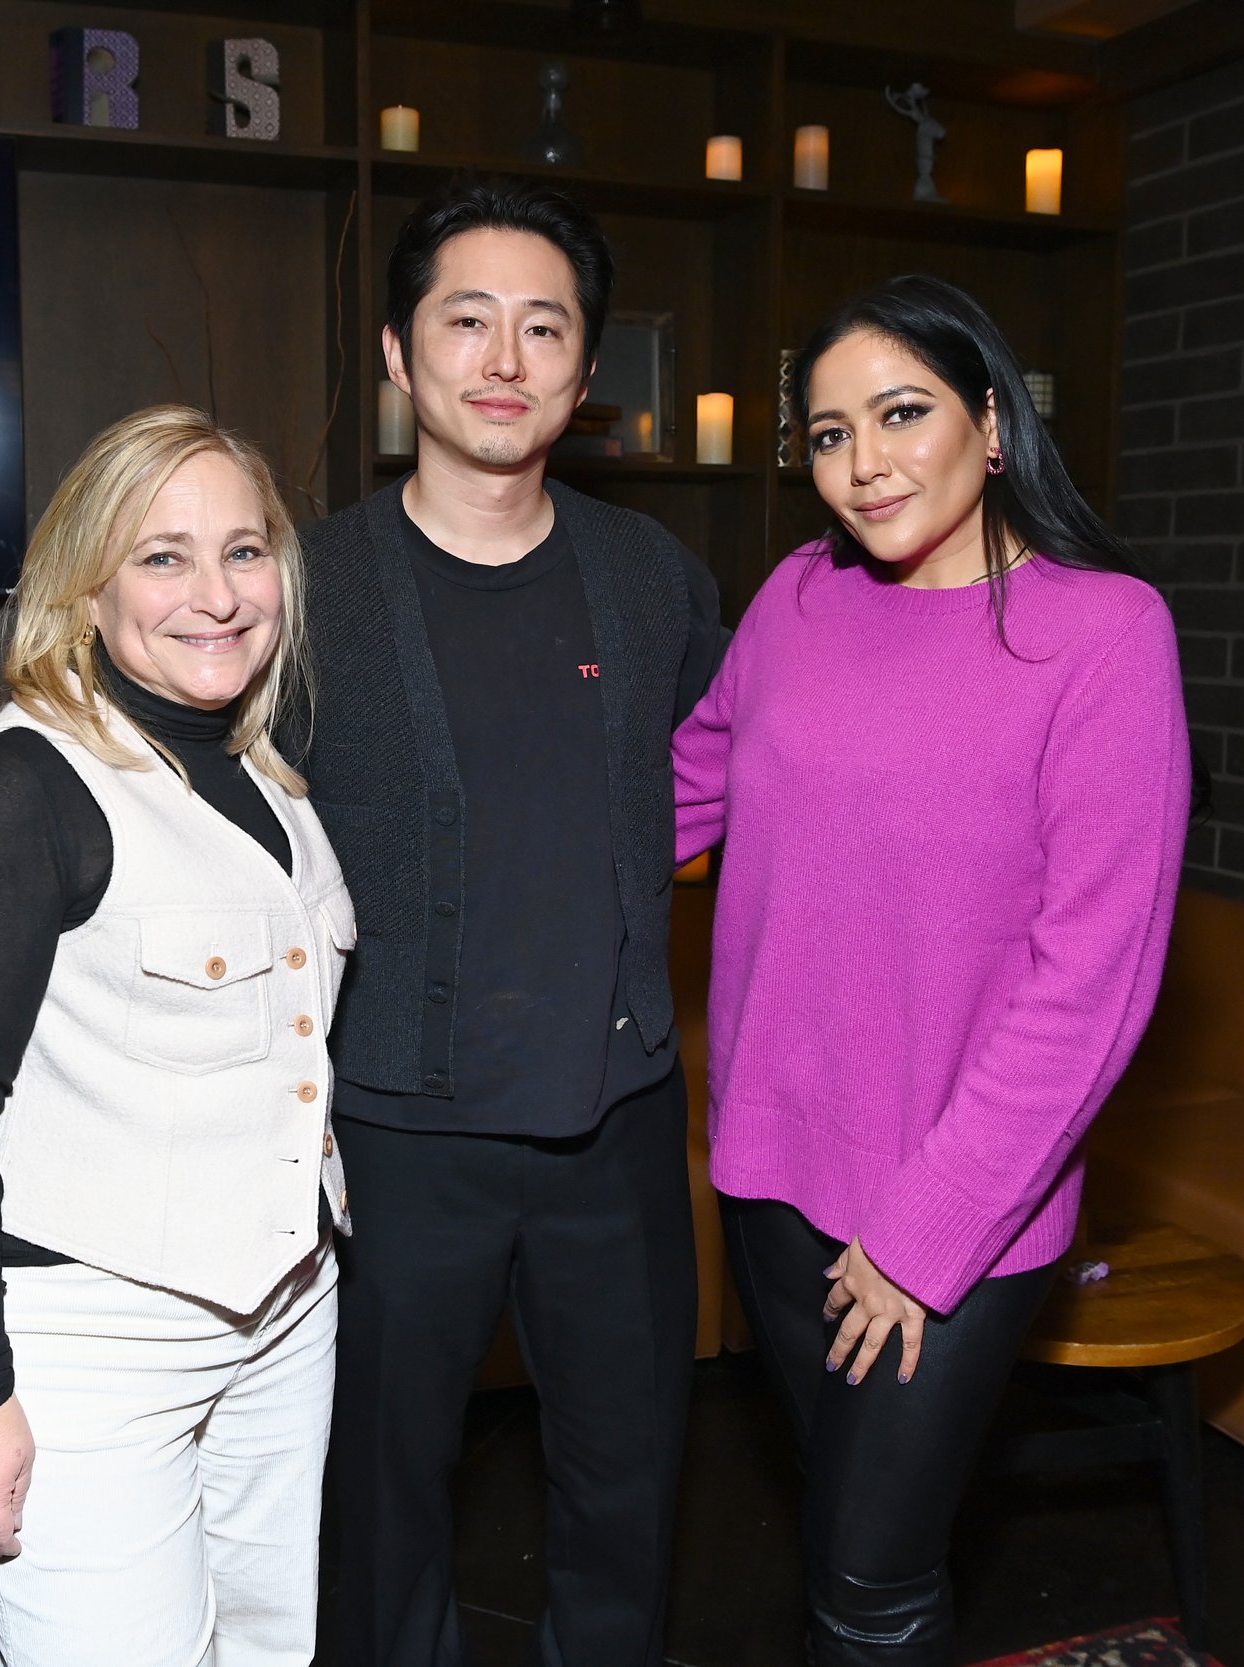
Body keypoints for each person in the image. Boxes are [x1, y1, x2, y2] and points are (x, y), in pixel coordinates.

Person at [672, 275, 1190, 1665]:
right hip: (771, 1172)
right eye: (829, 433)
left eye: (902, 414)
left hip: (947, 1204)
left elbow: (1095, 979)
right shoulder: (792, 600)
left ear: (994, 425)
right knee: (848, 1534)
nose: (864, 462)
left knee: (871, 1582)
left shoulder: (1104, 631)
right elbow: (679, 791)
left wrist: (921, 1234)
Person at [289, 175, 726, 1667]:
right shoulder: (308, 587)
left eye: (545, 328)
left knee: (627, 1488)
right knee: (384, 1495)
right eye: (465, 320)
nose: (504, 358)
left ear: (585, 378)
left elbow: (733, 771)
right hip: (396, 1136)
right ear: (402, 356)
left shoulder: (651, 577)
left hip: (614, 1121)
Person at [0, 405, 355, 1667]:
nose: (215, 593)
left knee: (266, 1649)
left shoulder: (266, 773)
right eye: (163, 556)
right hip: (91, 1340)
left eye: (245, 551)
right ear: (86, 587)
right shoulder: (25, 781)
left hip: (284, 1312)